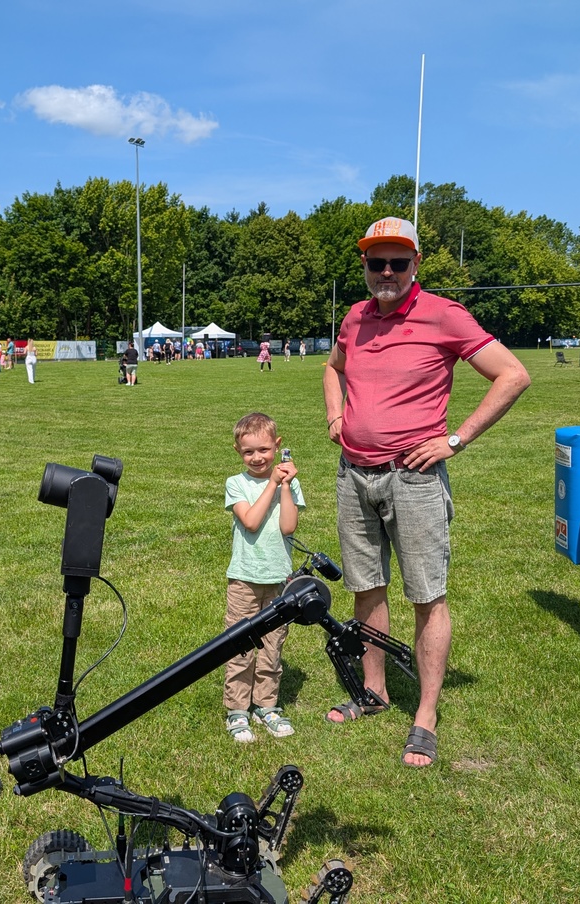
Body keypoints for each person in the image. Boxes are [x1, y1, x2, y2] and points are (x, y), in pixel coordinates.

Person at [322, 216, 530, 768]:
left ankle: (426, 716)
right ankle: (376, 692)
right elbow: (332, 367)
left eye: (398, 262)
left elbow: (512, 375)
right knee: (366, 589)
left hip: (413, 479)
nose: (386, 272)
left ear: (416, 264)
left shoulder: (443, 314)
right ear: (365, 266)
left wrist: (454, 440)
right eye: (375, 262)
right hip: (354, 474)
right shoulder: (355, 317)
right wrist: (336, 413)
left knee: (426, 596)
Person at [222, 412, 304, 743]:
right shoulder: (236, 483)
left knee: (272, 645)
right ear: (238, 451)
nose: (257, 458)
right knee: (240, 644)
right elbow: (252, 522)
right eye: (249, 452)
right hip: (244, 578)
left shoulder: (289, 483)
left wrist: (285, 485)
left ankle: (266, 705)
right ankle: (237, 710)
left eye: (265, 450)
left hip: (279, 579)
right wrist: (272, 482)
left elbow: (288, 527)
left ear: (278, 446)